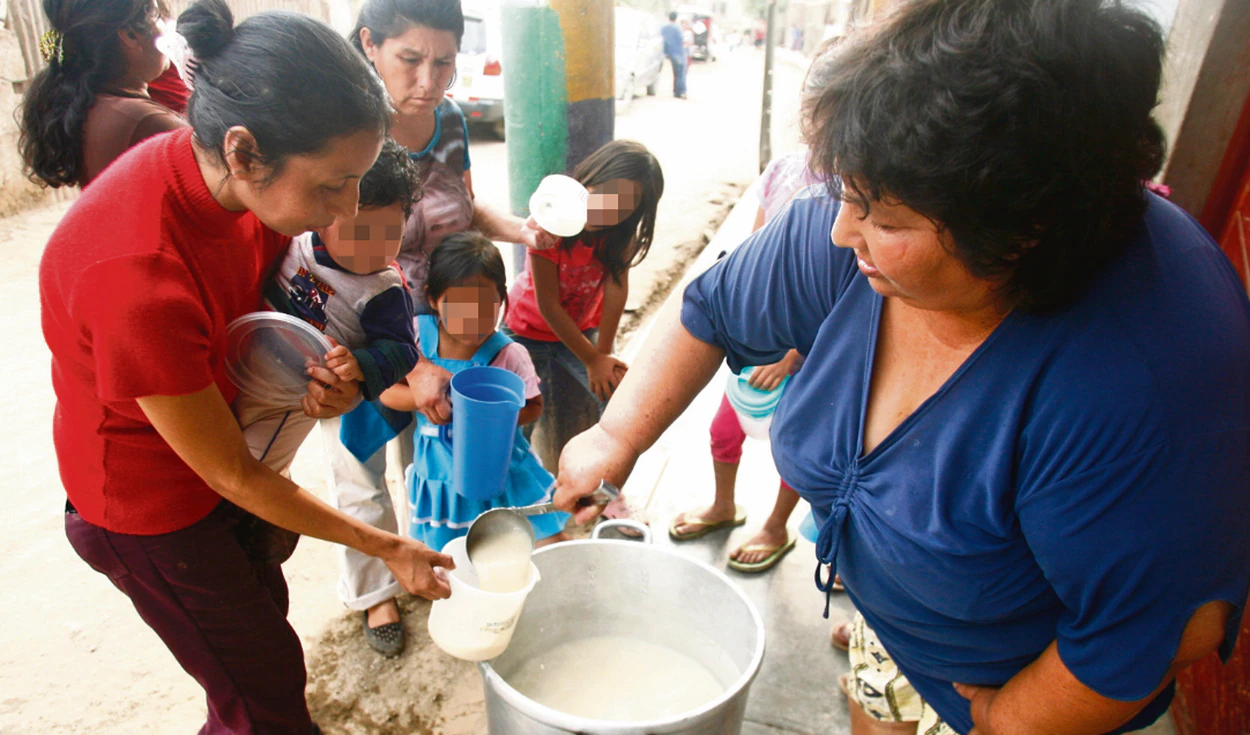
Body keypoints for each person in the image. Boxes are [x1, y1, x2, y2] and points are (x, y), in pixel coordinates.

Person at [552, 1, 1250, 734]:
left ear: (1019, 231)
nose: (839, 229)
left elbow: (1157, 627)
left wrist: (1007, 718)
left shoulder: (1147, 380)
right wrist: (616, 435)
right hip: (892, 631)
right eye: (848, 194)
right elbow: (715, 310)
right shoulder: (874, 204)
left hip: (1035, 693)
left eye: (884, 220)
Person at [38, 1, 455, 731]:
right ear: (243, 151)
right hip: (152, 505)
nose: (347, 210)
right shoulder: (136, 274)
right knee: (262, 692)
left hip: (228, 449)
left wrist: (326, 381)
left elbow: (276, 325)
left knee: (265, 640)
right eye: (331, 185)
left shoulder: (229, 181)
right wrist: (385, 546)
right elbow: (228, 472)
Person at [330, 0, 557, 653]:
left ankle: (433, 555)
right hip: (367, 322)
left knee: (429, 443)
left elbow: (462, 200)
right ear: (371, 45)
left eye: (444, 62)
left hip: (441, 320)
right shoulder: (346, 131)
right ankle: (376, 593)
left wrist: (516, 228)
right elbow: (309, 249)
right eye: (411, 60)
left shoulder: (451, 119)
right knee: (360, 457)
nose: (429, 78)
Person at [670, 43, 839, 574]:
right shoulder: (784, 170)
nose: (821, 122)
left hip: (809, 357)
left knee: (796, 449)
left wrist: (792, 357)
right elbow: (751, 257)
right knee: (724, 430)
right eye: (816, 105)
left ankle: (775, 525)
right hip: (758, 346)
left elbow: (843, 307)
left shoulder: (851, 193)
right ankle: (724, 505)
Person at [235, 139, 423, 477]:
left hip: (292, 395)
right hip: (245, 362)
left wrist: (360, 365)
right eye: (359, 233)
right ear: (327, 215)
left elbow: (402, 351)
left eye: (389, 234)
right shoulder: (300, 239)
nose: (372, 248)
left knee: (253, 467)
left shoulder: (384, 290)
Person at [504, 140, 662, 524]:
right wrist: (591, 357)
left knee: (617, 399)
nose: (611, 208)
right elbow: (548, 304)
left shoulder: (618, 234)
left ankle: (607, 493)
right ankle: (513, 489)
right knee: (519, 412)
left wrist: (603, 354)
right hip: (527, 331)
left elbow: (616, 287)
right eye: (606, 195)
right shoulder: (552, 223)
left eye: (625, 204)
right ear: (587, 180)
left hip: (585, 334)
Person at [380, 232, 570, 552]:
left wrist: (497, 415)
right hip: (442, 476)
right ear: (433, 298)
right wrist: (427, 399)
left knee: (544, 544)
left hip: (503, 472)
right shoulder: (417, 339)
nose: (472, 317)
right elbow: (387, 393)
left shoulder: (508, 354)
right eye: (457, 305)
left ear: (502, 299)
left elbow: (534, 405)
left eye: (485, 305)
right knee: (456, 555)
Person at [20, 0, 186, 189]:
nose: (165, 28)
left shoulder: (88, 105)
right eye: (158, 17)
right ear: (131, 35)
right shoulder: (148, 122)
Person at [661, 11, 687, 99]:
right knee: (680, 73)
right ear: (676, 18)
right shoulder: (677, 28)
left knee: (675, 72)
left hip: (669, 53)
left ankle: (676, 92)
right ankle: (681, 91)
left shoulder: (664, 28)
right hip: (678, 52)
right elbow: (681, 40)